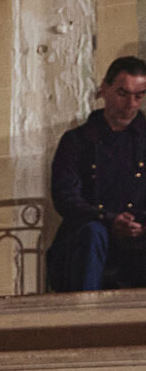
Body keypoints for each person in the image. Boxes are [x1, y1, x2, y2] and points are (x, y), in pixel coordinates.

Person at [46, 56, 146, 292]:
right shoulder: (77, 141)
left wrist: (140, 224)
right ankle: (86, 311)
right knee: (93, 232)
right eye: (123, 93)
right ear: (104, 89)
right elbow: (66, 198)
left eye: (139, 95)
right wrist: (109, 219)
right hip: (89, 240)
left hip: (139, 241)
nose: (131, 104)